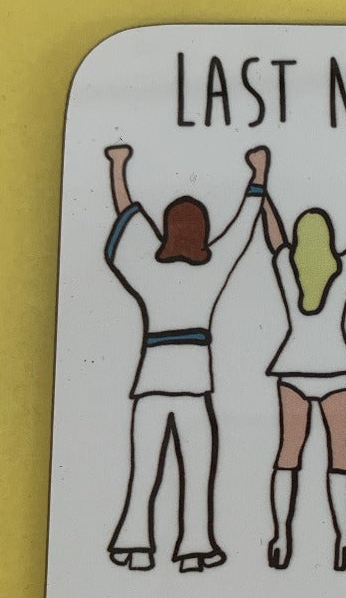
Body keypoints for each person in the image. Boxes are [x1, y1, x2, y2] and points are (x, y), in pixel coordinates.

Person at [104, 143, 269, 572]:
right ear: (203, 231)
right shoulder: (211, 270)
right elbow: (243, 228)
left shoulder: (147, 268)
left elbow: (126, 215)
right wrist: (258, 175)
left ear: (167, 229)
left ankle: (136, 547)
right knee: (197, 471)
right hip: (194, 385)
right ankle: (195, 549)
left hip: (151, 383)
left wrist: (118, 166)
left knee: (144, 471)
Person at [259, 168, 346, 571]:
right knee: (340, 453)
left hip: (293, 370)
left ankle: (281, 537)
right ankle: (345, 540)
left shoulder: (287, 266)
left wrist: (261, 180)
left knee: (288, 452)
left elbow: (273, 232)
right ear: (329, 240)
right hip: (334, 371)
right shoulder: (344, 269)